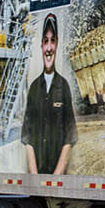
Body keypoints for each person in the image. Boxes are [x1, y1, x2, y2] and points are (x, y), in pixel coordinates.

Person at [23, 13, 78, 175]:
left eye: (52, 41)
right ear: (41, 45)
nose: (49, 47)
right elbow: (28, 135)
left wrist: (56, 177)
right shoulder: (34, 87)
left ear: (57, 44)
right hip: (37, 173)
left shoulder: (63, 86)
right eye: (45, 41)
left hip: (58, 175)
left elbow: (70, 135)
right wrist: (35, 177)